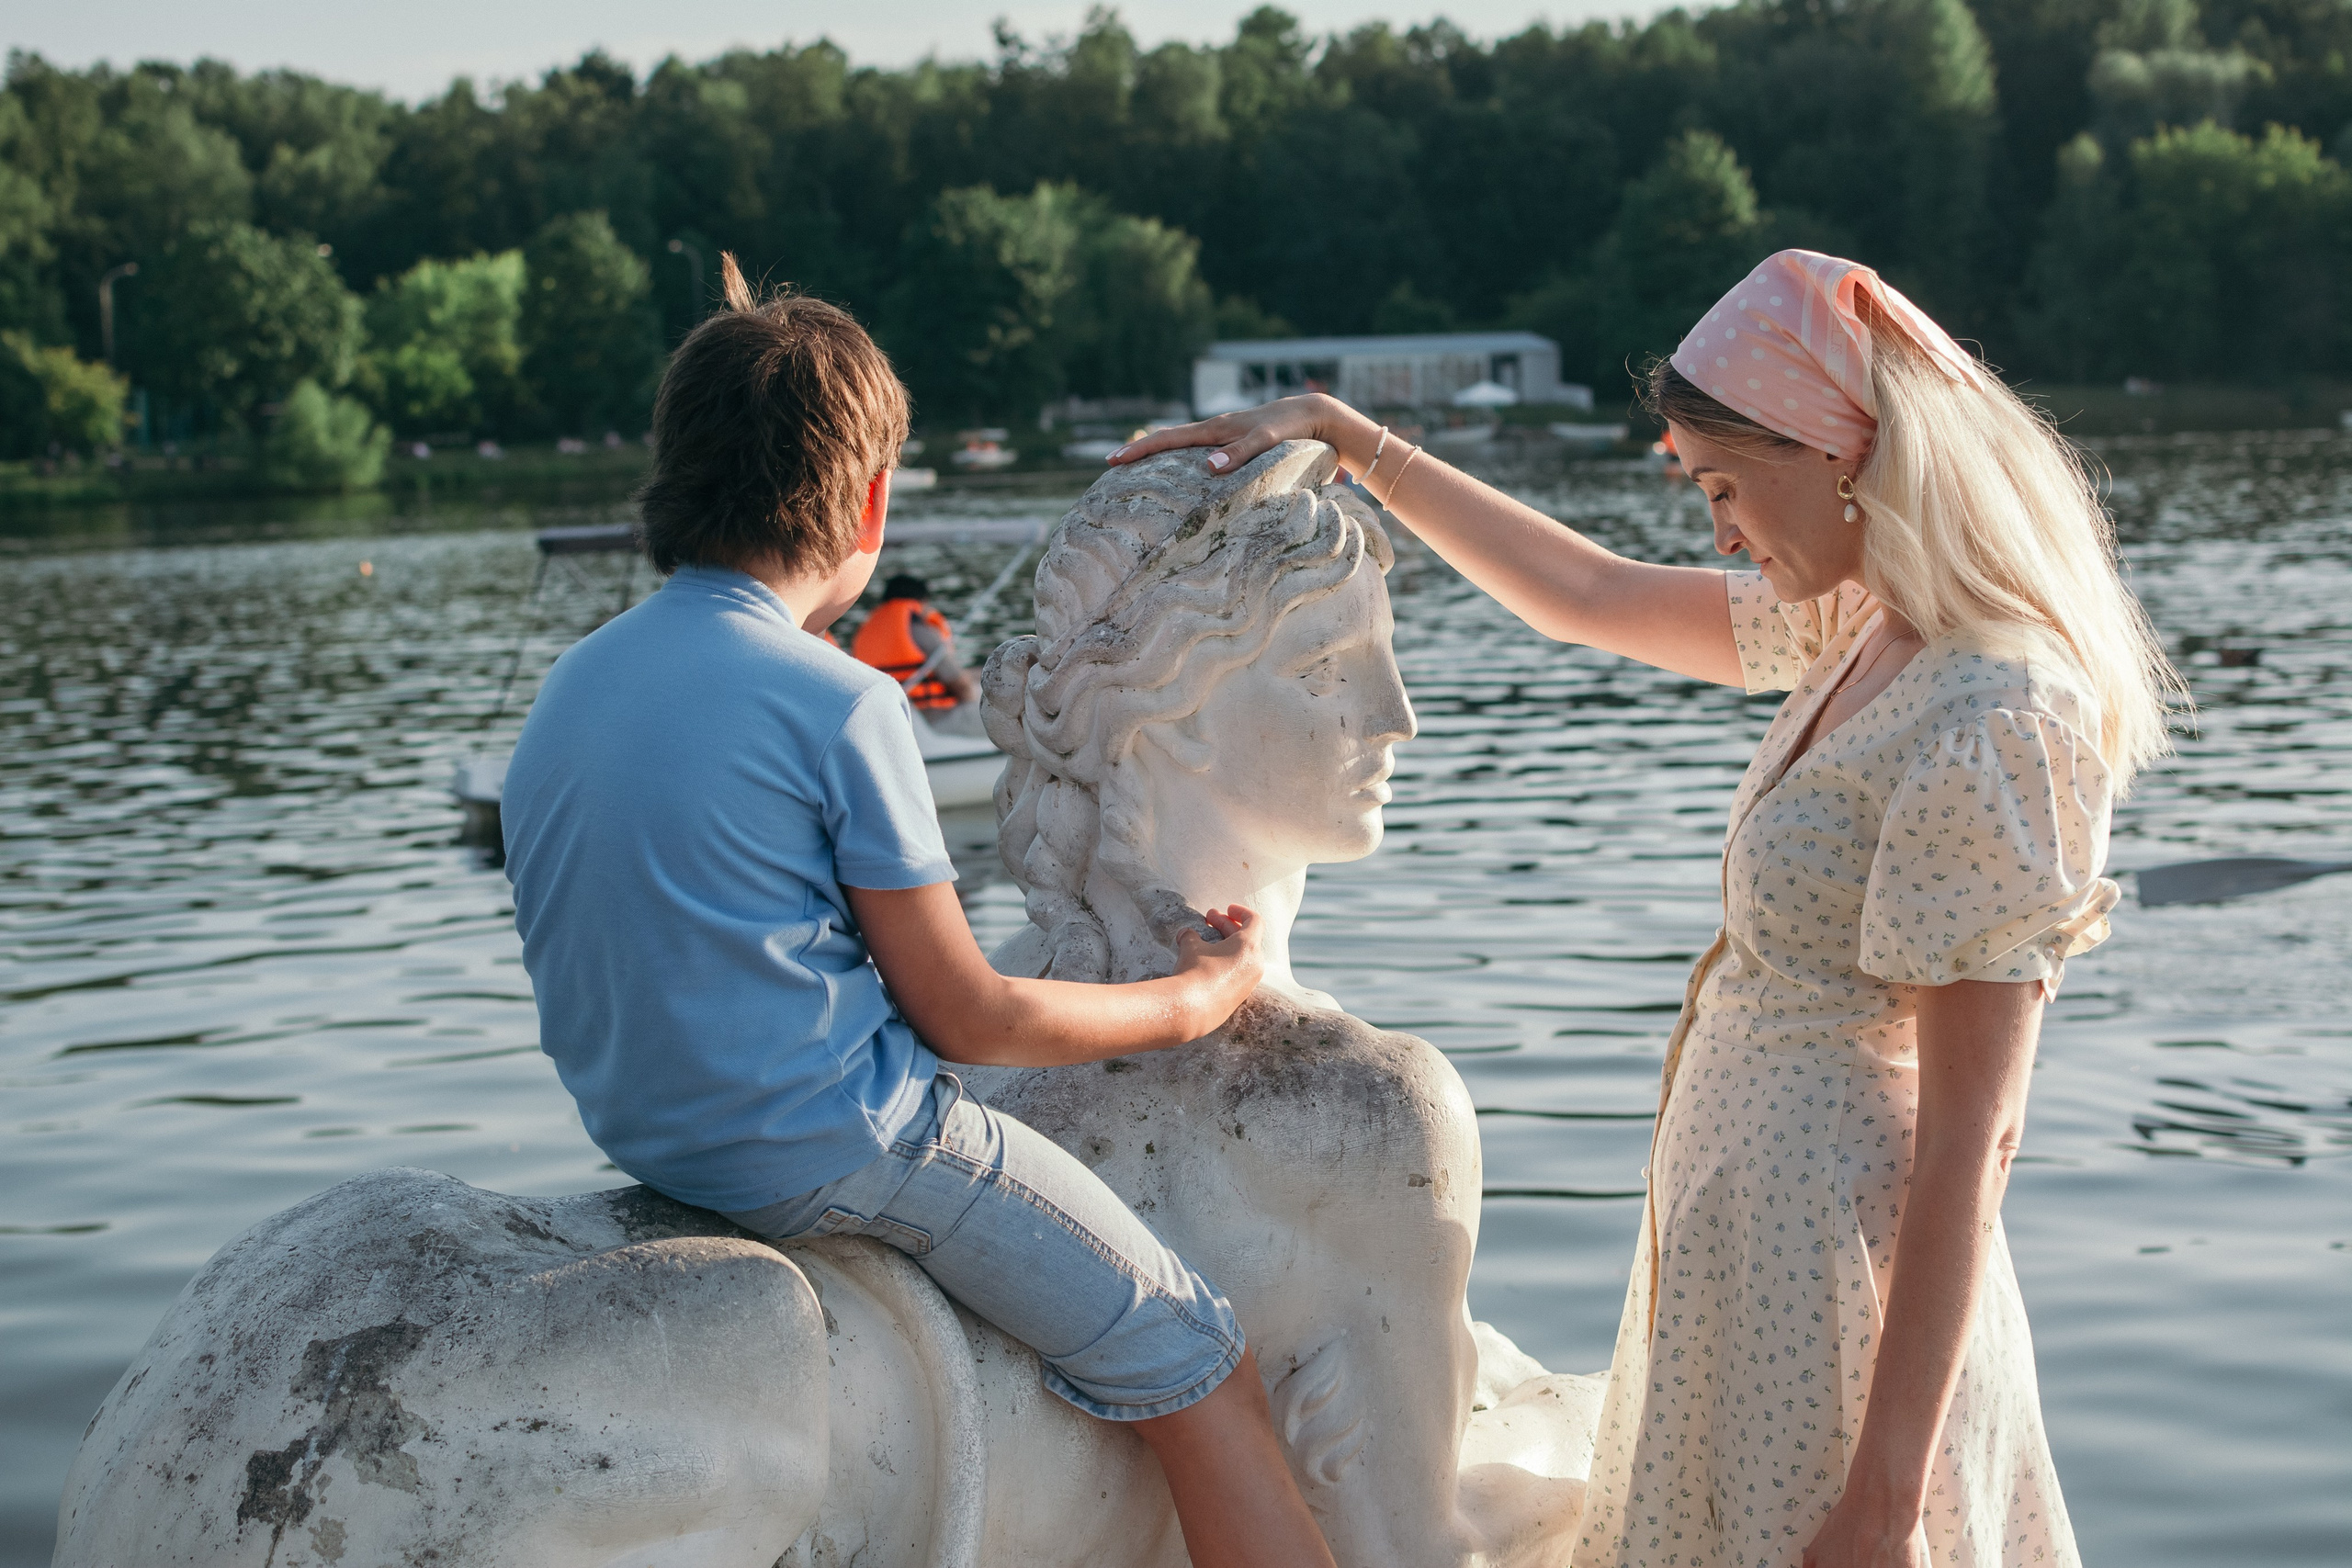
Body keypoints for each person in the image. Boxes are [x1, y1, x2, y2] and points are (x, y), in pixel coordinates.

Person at [1112, 248, 2183, 1568]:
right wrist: (1348, 436)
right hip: (1738, 1262)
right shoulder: (1862, 624)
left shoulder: (1996, 711)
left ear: (1838, 452)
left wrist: (1887, 1502)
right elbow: (1592, 595)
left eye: (1728, 486)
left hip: (1842, 1301)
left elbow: (1979, 1135)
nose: (1722, 529)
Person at [501, 254, 1337, 1568]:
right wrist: (1201, 994)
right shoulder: (839, 703)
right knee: (1194, 1353)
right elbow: (969, 1011)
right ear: (872, 499)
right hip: (835, 1147)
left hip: (649, 1133)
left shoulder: (571, 684)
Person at [852, 571, 979, 712]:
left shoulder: (864, 631)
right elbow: (961, 686)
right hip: (930, 716)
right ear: (922, 601)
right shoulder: (920, 631)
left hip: (886, 711)